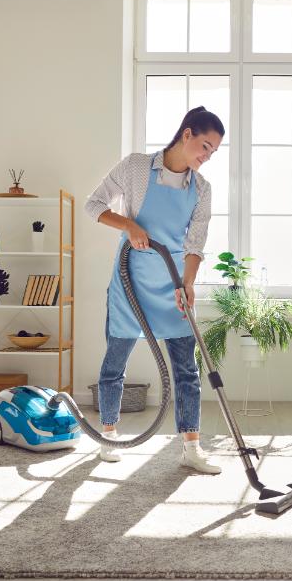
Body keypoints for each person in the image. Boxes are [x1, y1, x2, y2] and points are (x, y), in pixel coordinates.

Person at [84, 106, 225, 473]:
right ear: (187, 134)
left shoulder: (202, 190)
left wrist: (188, 284)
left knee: (186, 370)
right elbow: (93, 205)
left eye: (213, 152)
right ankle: (109, 435)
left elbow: (195, 244)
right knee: (116, 362)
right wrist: (128, 224)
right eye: (205, 146)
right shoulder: (135, 168)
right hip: (130, 279)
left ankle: (191, 448)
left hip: (174, 284)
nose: (207, 157)